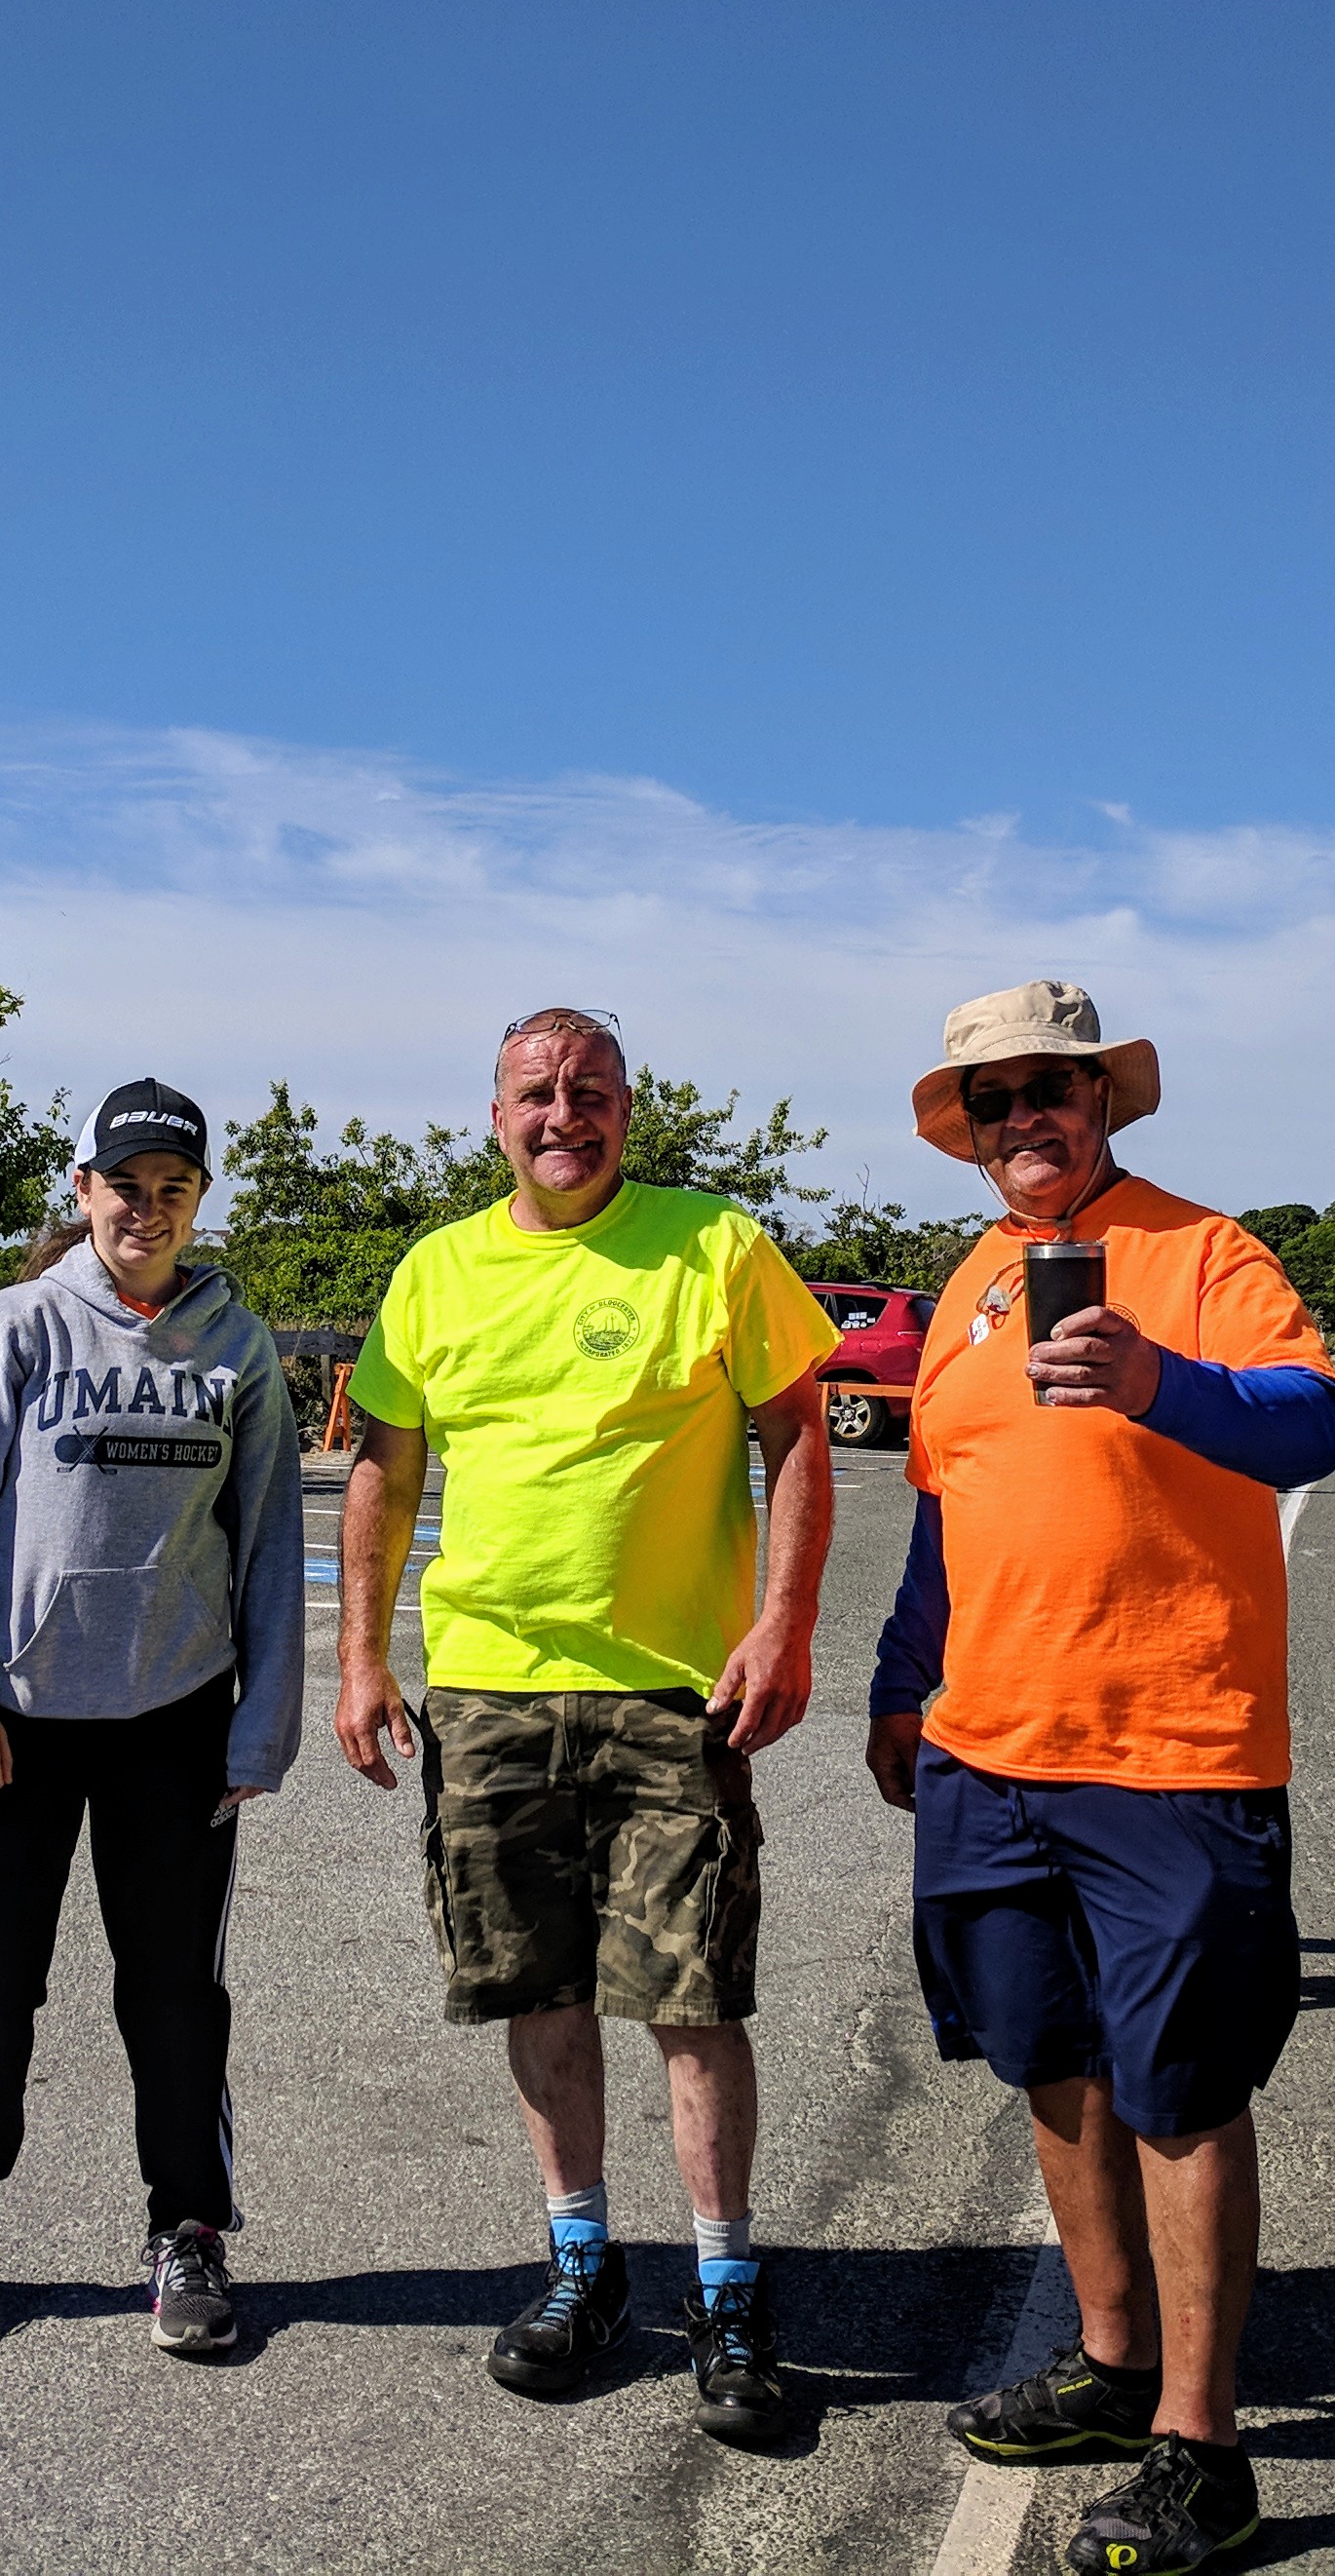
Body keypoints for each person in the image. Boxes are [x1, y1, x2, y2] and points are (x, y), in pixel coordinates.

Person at [867, 980, 1335, 2574]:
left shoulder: (1206, 1255)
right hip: (986, 1750)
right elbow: (944, 1507)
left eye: (1049, 1090)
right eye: (992, 1100)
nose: (1024, 1120)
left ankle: (1204, 2451)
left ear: (1104, 1102)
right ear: (970, 1132)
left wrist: (1159, 1383)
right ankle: (1113, 2362)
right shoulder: (969, 1283)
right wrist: (898, 1684)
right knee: (1052, 2063)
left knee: (1183, 2092)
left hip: (1171, 1751)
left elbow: (1311, 1425)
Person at [333, 1007, 840, 2444]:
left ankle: (727, 2290)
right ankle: (583, 2267)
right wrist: (361, 1658)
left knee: (692, 1998)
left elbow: (798, 1434)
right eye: (538, 1094)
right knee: (537, 1989)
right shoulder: (436, 1271)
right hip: (488, 1692)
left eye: (591, 1090)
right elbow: (383, 1469)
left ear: (628, 1108)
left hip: (674, 1691)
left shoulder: (716, 1246)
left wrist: (784, 1625)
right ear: (496, 1118)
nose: (566, 1115)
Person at [0, 1079, 306, 2359]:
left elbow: (269, 1547)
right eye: (126, 1186)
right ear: (85, 1191)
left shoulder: (237, 1351)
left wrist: (260, 1728)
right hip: (14, 1724)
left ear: (198, 1200)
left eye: (174, 1188)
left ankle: (189, 2232)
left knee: (174, 1997)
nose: (147, 1209)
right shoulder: (18, 1327)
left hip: (177, 1722)